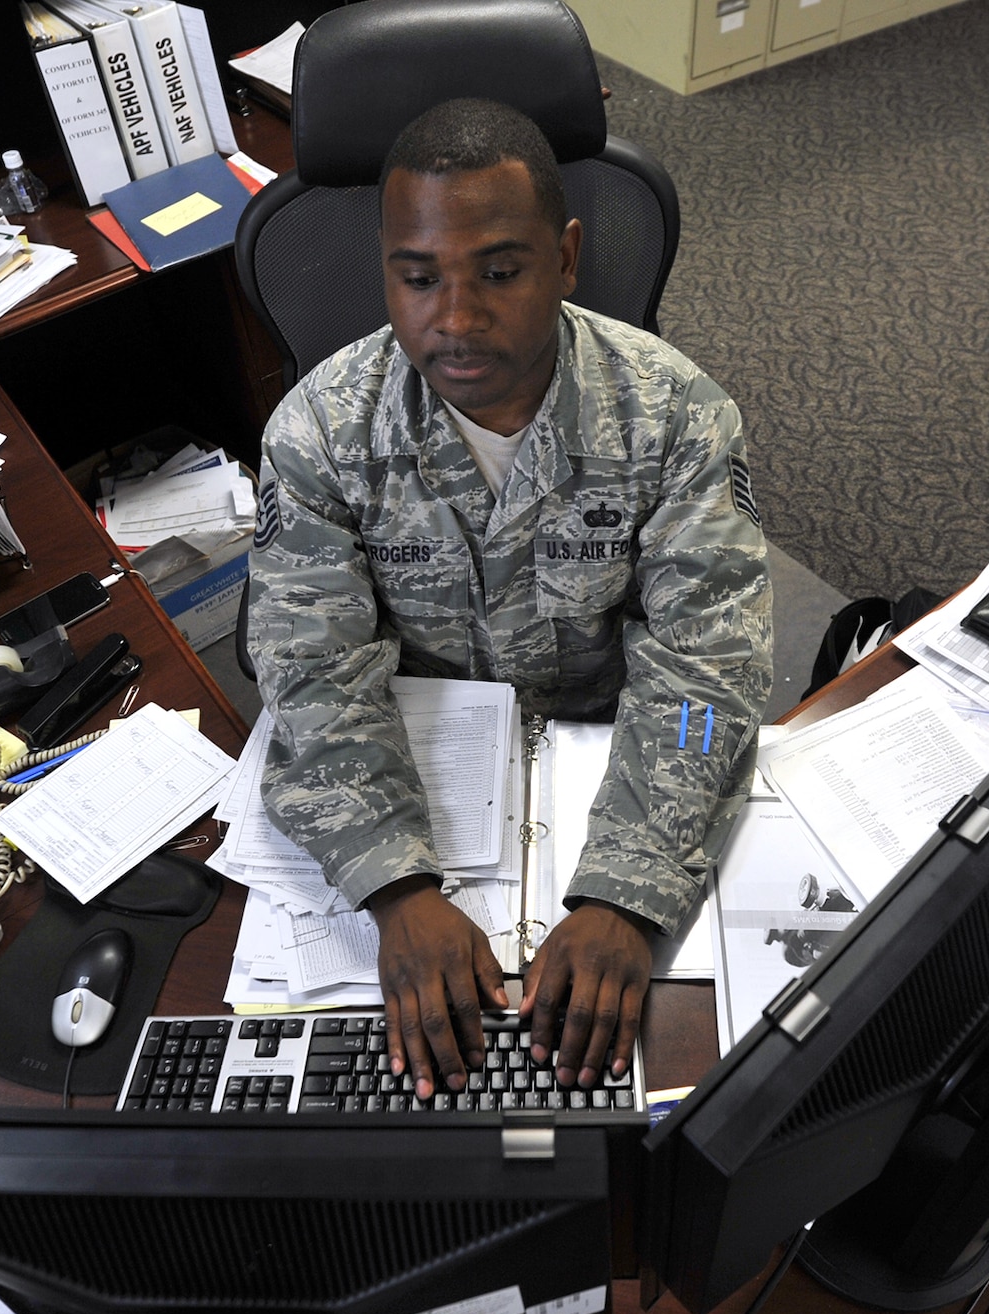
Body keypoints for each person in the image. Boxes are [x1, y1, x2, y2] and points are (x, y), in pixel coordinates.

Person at [248, 97, 772, 1104]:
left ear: (566, 257)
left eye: (498, 271)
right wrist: (393, 887)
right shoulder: (316, 430)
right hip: (425, 773)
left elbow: (707, 664)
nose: (454, 317)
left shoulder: (675, 415)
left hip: (604, 758)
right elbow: (311, 666)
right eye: (417, 277)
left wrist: (628, 889)